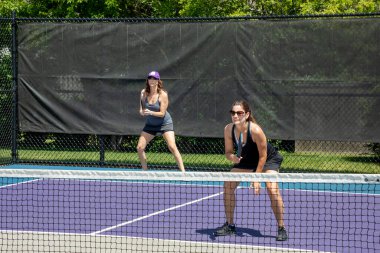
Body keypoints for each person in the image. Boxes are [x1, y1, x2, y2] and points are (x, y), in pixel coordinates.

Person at [214, 100, 288, 241]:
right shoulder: (228, 129)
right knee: (228, 184)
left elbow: (263, 156)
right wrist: (233, 158)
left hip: (268, 160)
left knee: (272, 189)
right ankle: (230, 225)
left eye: (239, 113)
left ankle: (281, 227)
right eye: (233, 113)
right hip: (247, 161)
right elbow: (228, 152)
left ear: (247, 114)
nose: (235, 115)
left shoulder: (255, 130)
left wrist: (256, 178)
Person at [137, 71, 185, 172]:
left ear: (158, 81)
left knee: (172, 146)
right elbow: (141, 109)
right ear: (148, 80)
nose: (152, 80)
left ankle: (183, 173)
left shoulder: (163, 94)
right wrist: (142, 112)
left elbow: (162, 113)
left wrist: (150, 112)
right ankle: (144, 172)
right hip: (150, 124)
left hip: (164, 123)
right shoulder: (143, 93)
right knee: (140, 147)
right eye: (150, 78)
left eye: (154, 78)